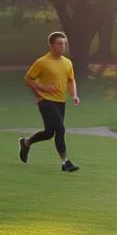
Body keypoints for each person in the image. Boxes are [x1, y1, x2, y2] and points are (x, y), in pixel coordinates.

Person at [18, 31, 80, 172]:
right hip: (45, 101)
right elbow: (28, 79)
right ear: (51, 45)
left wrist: (74, 95)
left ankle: (26, 142)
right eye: (59, 44)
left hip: (60, 101)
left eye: (64, 44)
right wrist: (41, 89)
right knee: (60, 129)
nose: (62, 46)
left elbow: (71, 80)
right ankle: (65, 162)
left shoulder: (67, 62)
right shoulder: (42, 62)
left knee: (49, 133)